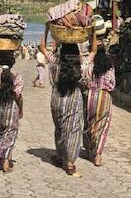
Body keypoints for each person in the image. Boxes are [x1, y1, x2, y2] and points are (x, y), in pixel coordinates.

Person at [40, 23, 97, 176]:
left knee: (59, 128)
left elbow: (43, 48)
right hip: (74, 98)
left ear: (62, 52)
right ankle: (70, 162)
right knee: (73, 129)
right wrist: (92, 32)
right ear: (78, 54)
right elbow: (93, 51)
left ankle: (60, 156)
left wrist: (46, 29)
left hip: (57, 98)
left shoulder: (55, 62)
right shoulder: (83, 66)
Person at [82, 16, 116, 167]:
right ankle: (97, 155)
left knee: (89, 124)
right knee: (103, 126)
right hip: (104, 95)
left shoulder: (88, 62)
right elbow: (111, 84)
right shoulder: (109, 63)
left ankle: (89, 149)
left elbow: (84, 79)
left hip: (89, 95)